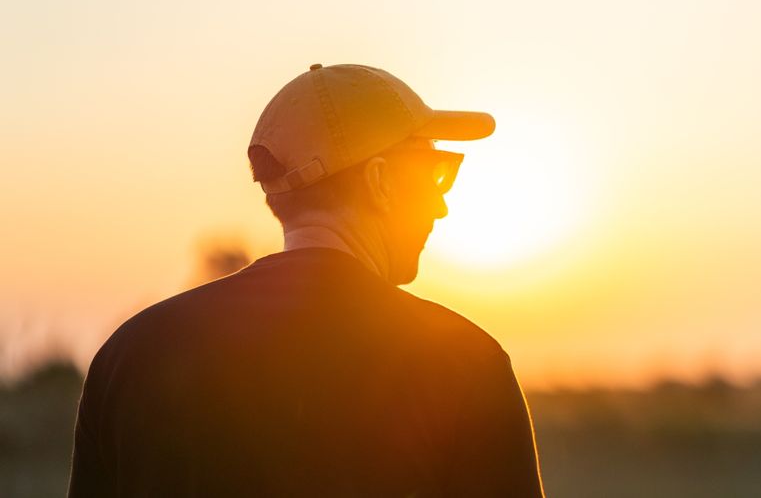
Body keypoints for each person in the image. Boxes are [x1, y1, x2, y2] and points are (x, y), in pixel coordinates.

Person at [68, 63, 546, 497]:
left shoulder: (130, 355)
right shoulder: (464, 362)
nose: (441, 206)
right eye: (435, 173)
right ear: (380, 182)